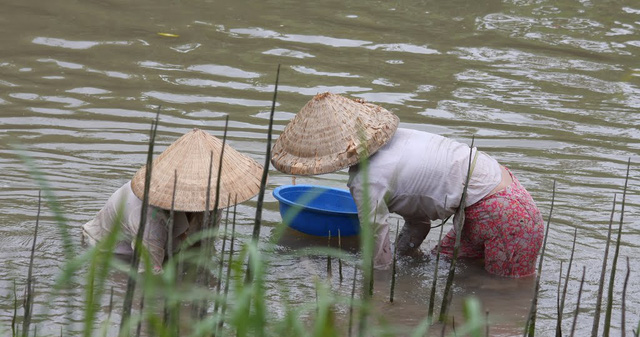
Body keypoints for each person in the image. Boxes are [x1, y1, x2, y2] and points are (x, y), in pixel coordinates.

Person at [271, 92, 544, 278]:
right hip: (501, 199)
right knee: (444, 265)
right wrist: (404, 254)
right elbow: (419, 223)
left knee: (503, 293)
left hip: (504, 217)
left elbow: (376, 246)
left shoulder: (366, 181)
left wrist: (376, 280)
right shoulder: (403, 138)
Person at [82, 128, 264, 272]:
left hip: (166, 245)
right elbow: (148, 273)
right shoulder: (148, 213)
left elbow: (203, 248)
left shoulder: (213, 199)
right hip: (114, 253)